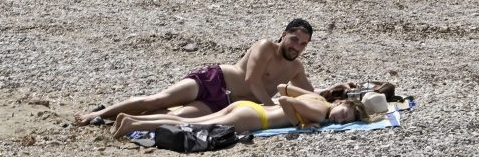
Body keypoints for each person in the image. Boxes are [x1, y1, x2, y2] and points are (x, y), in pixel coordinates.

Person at [74, 20, 316, 125]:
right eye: (294, 39)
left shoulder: (295, 67)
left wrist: (336, 94)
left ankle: (117, 119)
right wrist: (271, 106)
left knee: (177, 116)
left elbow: (311, 95)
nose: (297, 47)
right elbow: (251, 80)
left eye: (303, 44)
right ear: (283, 35)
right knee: (157, 99)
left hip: (224, 103)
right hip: (214, 80)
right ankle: (97, 113)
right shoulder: (265, 46)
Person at [111, 84, 361, 138]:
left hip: (249, 108)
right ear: (339, 104)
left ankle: (131, 118)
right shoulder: (319, 112)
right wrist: (302, 123)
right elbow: (287, 103)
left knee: (182, 118)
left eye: (344, 121)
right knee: (191, 125)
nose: (339, 121)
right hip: (254, 118)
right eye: (343, 114)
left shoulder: (318, 96)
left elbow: (284, 89)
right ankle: (133, 126)